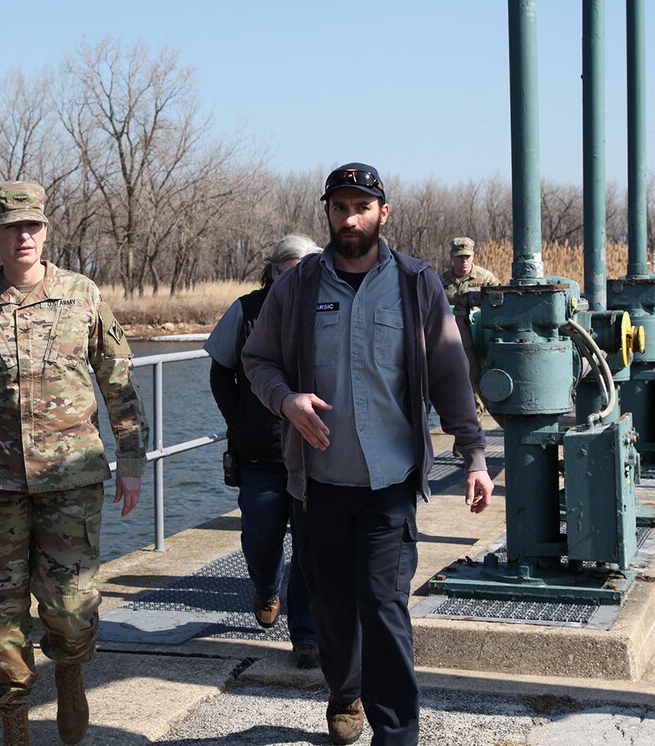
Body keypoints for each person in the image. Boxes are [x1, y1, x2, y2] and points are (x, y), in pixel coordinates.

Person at [242, 163, 494, 746]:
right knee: (331, 608)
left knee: (384, 607)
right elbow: (257, 361)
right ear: (326, 213)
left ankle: (397, 733)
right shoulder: (298, 285)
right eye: (339, 208)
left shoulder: (416, 283)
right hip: (321, 484)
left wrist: (474, 455)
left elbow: (452, 372)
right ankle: (345, 691)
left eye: (361, 207)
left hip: (390, 482)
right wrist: (287, 401)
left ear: (384, 212)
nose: (349, 218)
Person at [0, 181, 149, 746]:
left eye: (33, 226)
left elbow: (118, 381)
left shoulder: (83, 295)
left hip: (71, 479)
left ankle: (69, 673)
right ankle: (14, 728)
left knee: (70, 610)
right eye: (11, 227)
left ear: (45, 231)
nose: (24, 236)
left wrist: (133, 459)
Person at [204, 234, 323, 669]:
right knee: (260, 539)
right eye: (287, 269)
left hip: (313, 454)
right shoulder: (247, 310)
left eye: (305, 268)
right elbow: (220, 371)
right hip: (261, 455)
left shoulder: (328, 307)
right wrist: (239, 420)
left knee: (310, 548)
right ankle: (266, 588)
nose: (295, 277)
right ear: (272, 272)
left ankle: (306, 636)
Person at [439, 236, 499, 414]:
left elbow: (499, 306)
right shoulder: (441, 281)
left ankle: (476, 419)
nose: (463, 261)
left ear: (473, 256)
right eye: (459, 257)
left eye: (467, 256)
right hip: (451, 339)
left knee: (476, 380)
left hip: (478, 338)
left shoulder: (486, 278)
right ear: (451, 257)